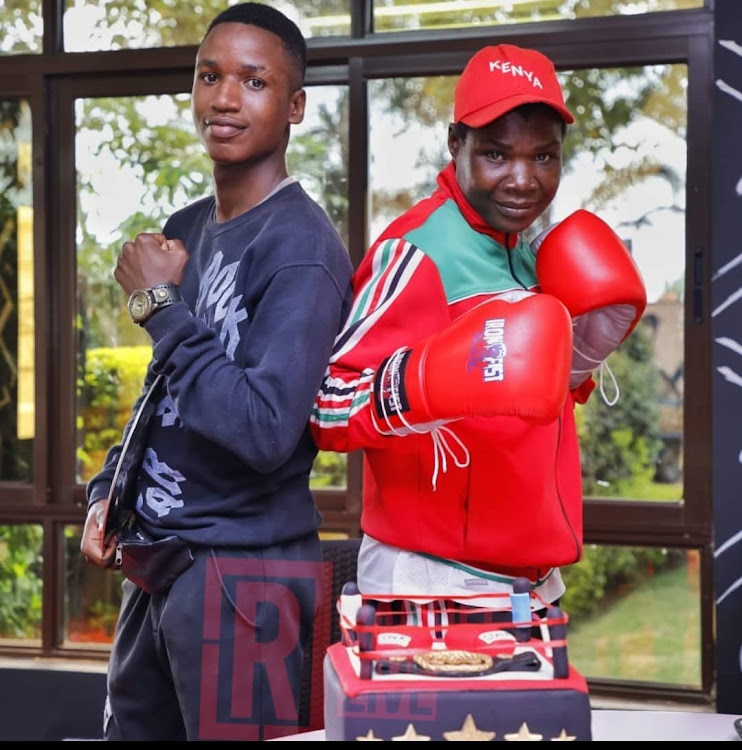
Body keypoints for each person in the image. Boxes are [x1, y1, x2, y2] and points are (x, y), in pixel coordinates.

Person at [80, 2, 353, 741]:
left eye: (254, 81)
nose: (224, 99)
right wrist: (113, 489)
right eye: (209, 76)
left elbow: (266, 429)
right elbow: (164, 393)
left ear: (294, 105)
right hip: (161, 564)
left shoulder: (303, 245)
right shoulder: (187, 229)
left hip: (246, 579)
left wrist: (159, 304)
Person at [310, 44, 646, 628]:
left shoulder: (530, 255)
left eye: (544, 156)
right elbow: (327, 408)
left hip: (527, 582)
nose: (523, 179)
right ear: (455, 144)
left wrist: (579, 362)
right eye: (496, 154)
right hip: (433, 583)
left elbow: (509, 397)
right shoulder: (416, 251)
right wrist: (417, 384)